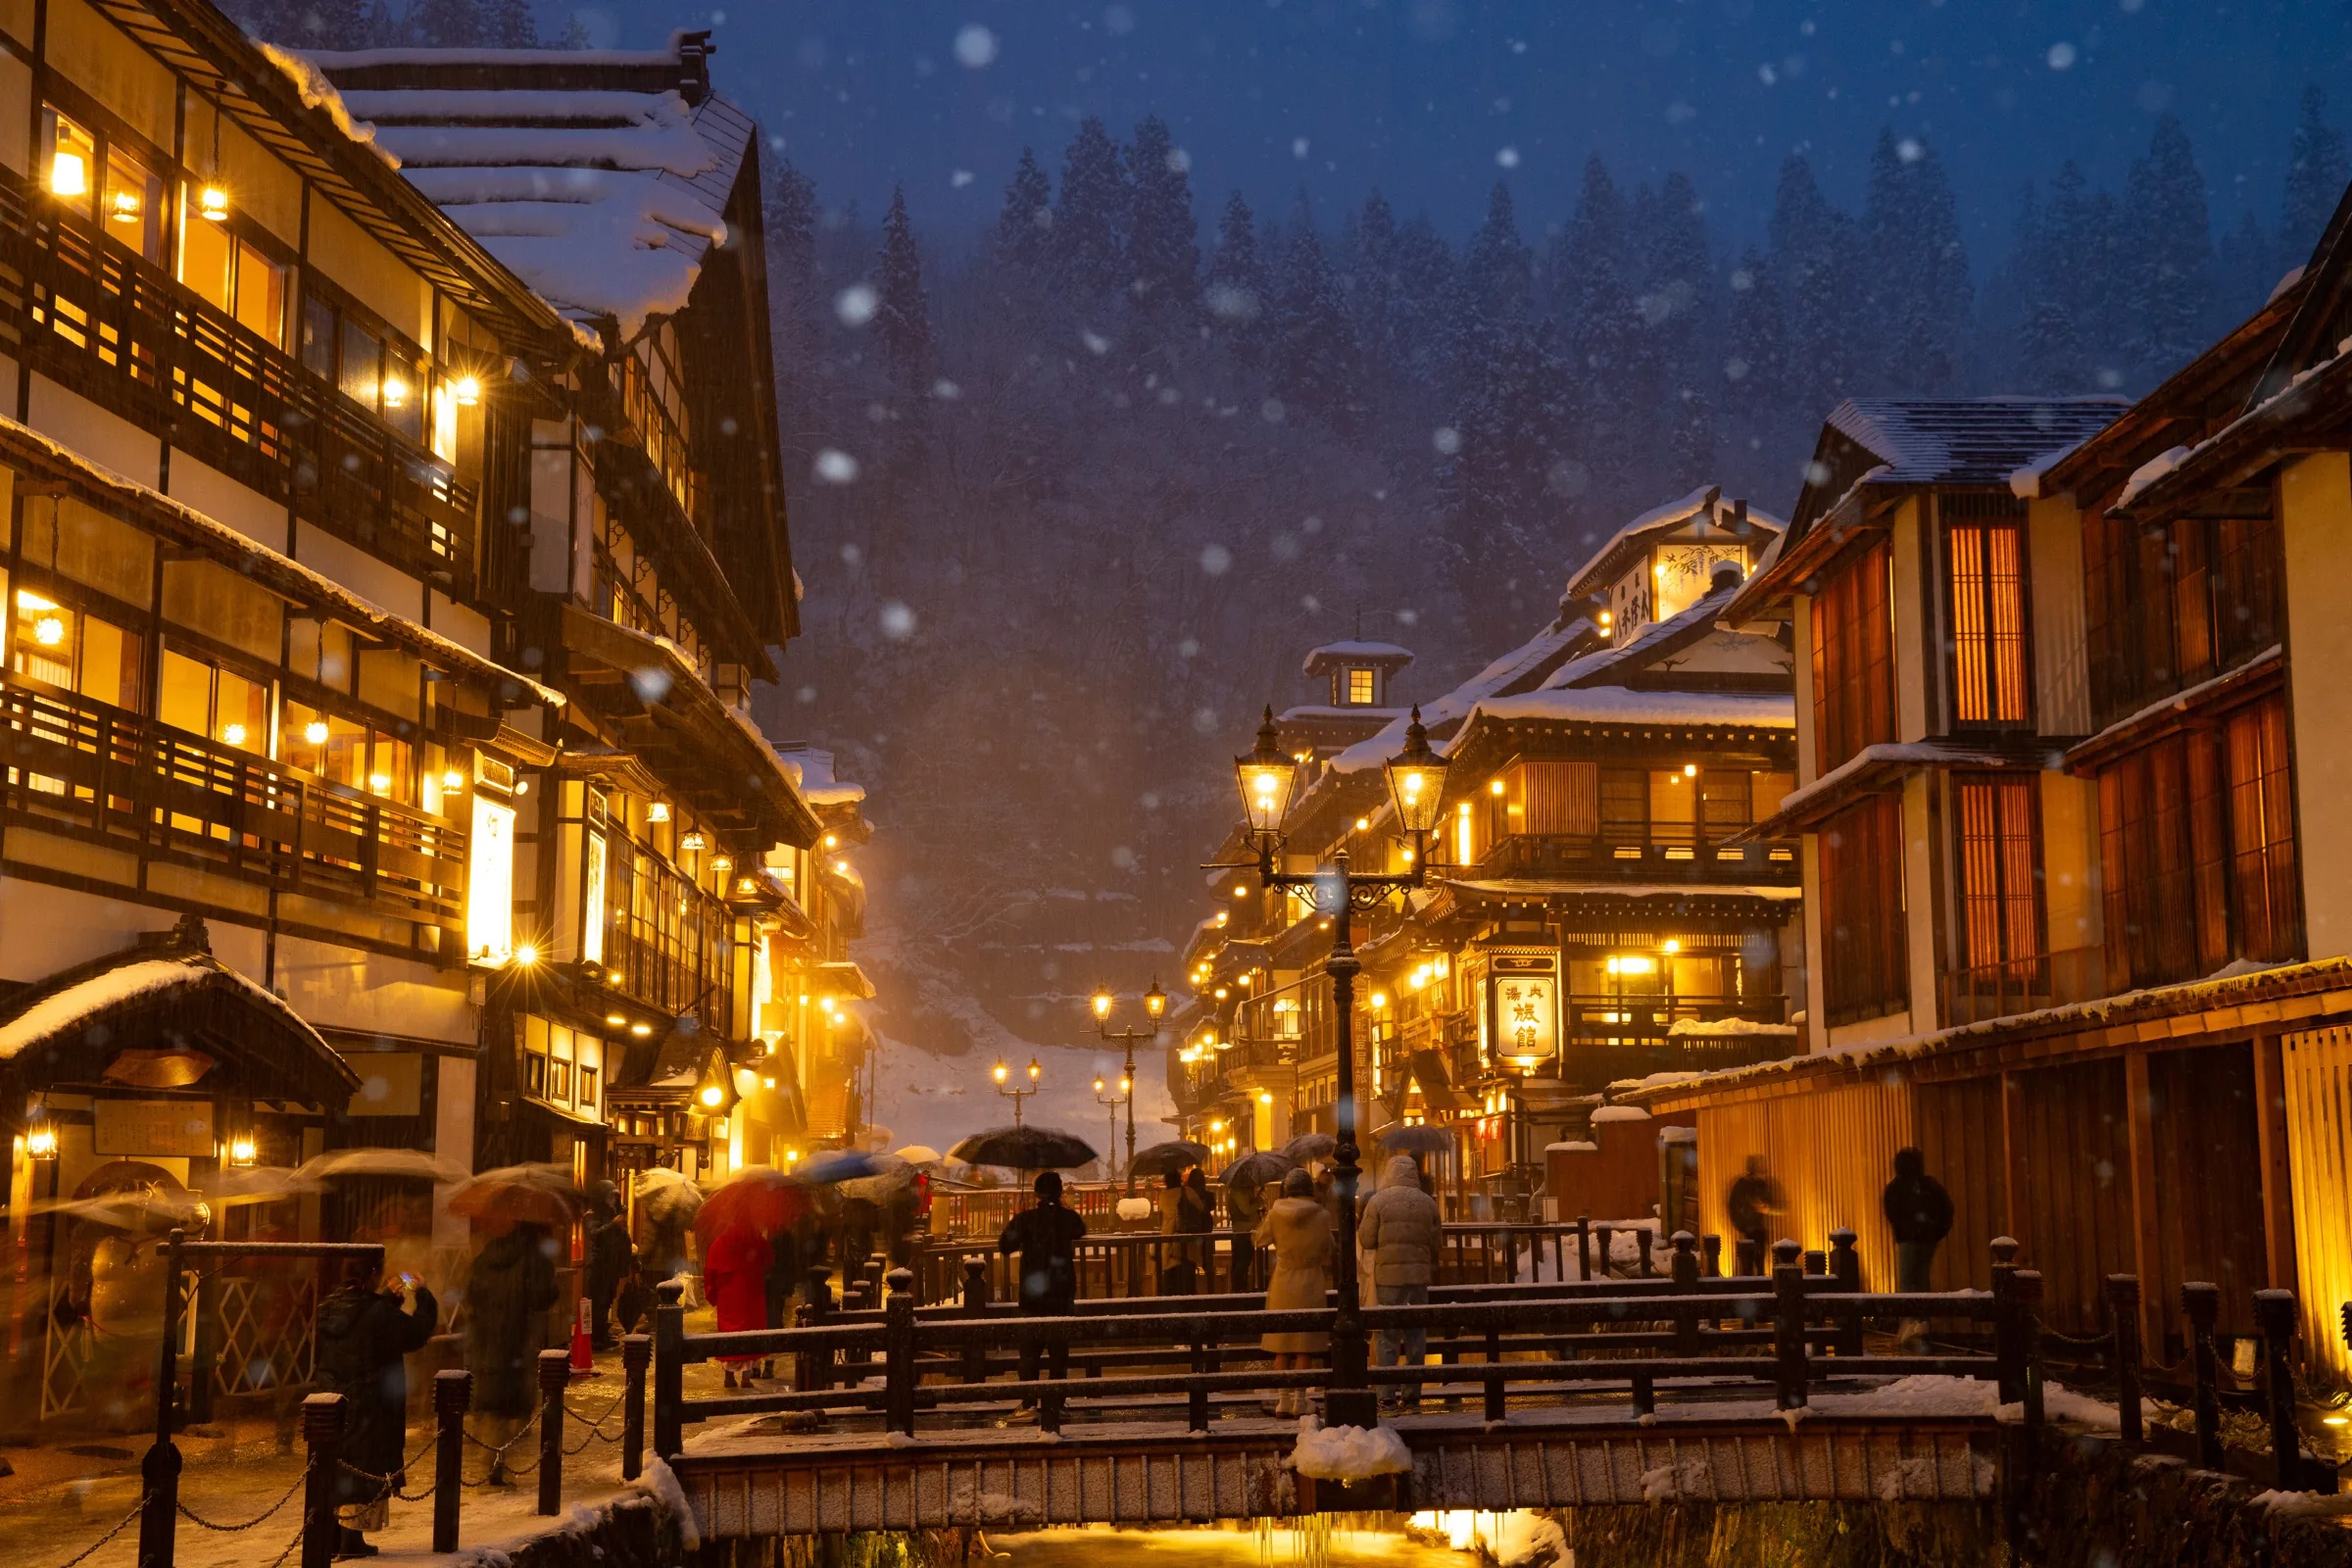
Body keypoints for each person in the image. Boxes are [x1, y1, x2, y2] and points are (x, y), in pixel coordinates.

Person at [316, 1256, 438, 1558]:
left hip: (335, 1399)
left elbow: (360, 1326)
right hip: (370, 1403)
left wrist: (384, 1301)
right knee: (363, 1471)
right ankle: (351, 1542)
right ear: (372, 1276)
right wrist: (422, 1294)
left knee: (338, 1468)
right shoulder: (378, 1313)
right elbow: (415, 1332)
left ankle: (331, 1539)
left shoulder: (330, 1307)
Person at [464, 1222, 557, 1487]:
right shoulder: (534, 1259)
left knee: (495, 1403)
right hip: (517, 1341)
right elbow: (545, 1296)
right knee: (505, 1408)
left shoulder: (486, 1258)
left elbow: (470, 1294)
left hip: (487, 1341)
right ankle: (492, 1469)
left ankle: (493, 1457)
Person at [995, 1171, 1089, 1424]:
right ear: (1060, 1193)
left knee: (1030, 1351)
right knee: (1059, 1350)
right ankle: (1056, 1403)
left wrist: (1020, 1215)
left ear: (1036, 1193)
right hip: (1061, 1293)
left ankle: (1029, 1403)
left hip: (1033, 1293)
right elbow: (1081, 1229)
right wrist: (1062, 1209)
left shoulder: (1026, 1219)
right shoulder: (1068, 1218)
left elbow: (1004, 1245)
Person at [1358, 1154, 1440, 1412]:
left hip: (1388, 1279)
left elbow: (1367, 1240)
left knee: (1387, 1337)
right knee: (1416, 1336)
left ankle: (1386, 1397)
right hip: (1418, 1278)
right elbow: (1436, 1243)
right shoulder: (1427, 1203)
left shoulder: (1378, 1201)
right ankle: (1413, 1397)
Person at [1255, 1167, 1334, 1419]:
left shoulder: (1276, 1213)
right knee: (1304, 1345)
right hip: (1310, 1279)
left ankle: (1283, 1400)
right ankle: (1301, 1400)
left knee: (1282, 1344)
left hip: (1283, 1279)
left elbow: (1259, 1240)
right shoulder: (1321, 1215)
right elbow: (1328, 1249)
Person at [1884, 1147, 1955, 1347]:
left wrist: (1904, 1229)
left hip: (1908, 1239)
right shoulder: (1929, 1186)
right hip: (1927, 1240)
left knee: (1907, 1281)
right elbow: (1946, 1209)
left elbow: (1892, 1212)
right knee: (1922, 1280)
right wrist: (1936, 1231)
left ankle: (1909, 1323)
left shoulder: (1897, 1188)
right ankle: (1922, 1323)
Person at [702, 1224, 773, 1389]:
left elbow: (710, 1271)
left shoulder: (720, 1243)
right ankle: (746, 1378)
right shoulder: (755, 1241)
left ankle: (729, 1376)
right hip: (751, 1294)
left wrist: (712, 1293)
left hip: (728, 1295)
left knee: (729, 1333)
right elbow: (770, 1259)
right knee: (750, 1333)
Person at [583, 1183, 635, 1350]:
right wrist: (614, 1224)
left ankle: (602, 1335)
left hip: (612, 1264)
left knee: (606, 1301)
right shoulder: (592, 1215)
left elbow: (622, 1239)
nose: (613, 1200)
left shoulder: (613, 1214)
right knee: (597, 1301)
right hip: (599, 1264)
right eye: (610, 1196)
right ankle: (595, 1337)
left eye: (615, 1197)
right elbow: (595, 1235)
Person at [1726, 1155, 1776, 1275]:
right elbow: (1734, 1207)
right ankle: (1755, 1283)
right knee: (1752, 1262)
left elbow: (1733, 1207)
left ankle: (1754, 1284)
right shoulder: (1746, 1185)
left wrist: (1764, 1208)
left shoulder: (1756, 1185)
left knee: (1754, 1262)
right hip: (1749, 1229)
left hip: (1754, 1228)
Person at [1226, 1172, 1269, 1294]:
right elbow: (1246, 1209)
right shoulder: (1239, 1191)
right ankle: (1239, 1289)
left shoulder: (1244, 1190)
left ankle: (1241, 1288)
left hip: (1247, 1229)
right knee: (1241, 1262)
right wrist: (1259, 1200)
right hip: (1242, 1231)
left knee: (1244, 1262)